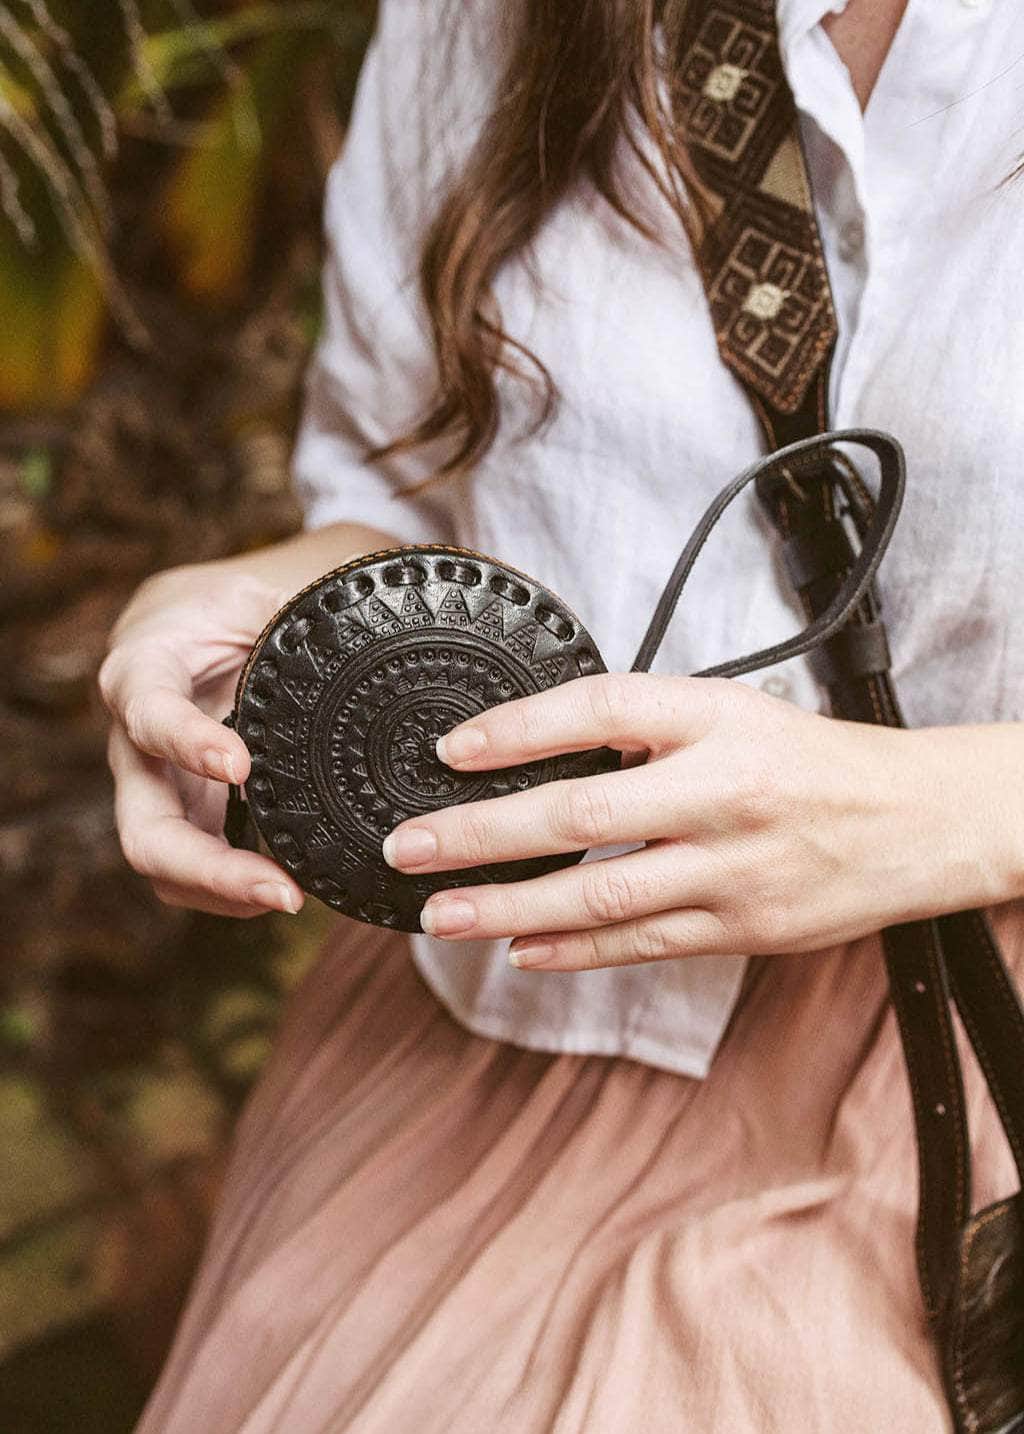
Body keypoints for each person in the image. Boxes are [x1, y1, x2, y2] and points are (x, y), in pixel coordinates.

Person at [101, 1, 1024, 1429]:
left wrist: (948, 808)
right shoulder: (477, 18)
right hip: (526, 1019)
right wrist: (225, 604)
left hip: (975, 1051)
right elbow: (405, 503)